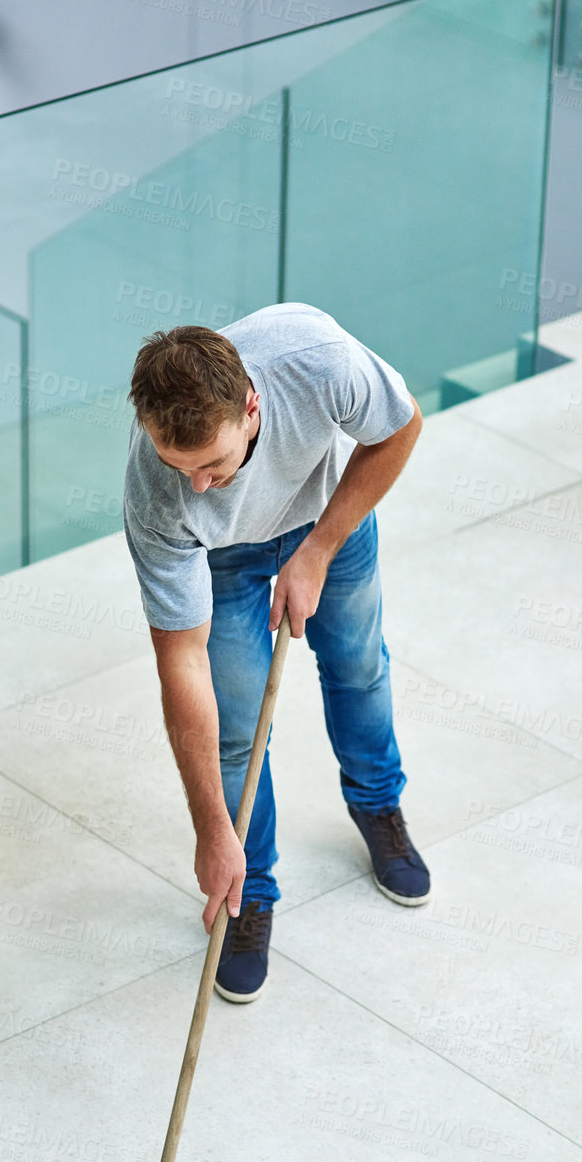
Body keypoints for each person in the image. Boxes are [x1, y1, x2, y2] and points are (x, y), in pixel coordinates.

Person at [123, 301, 430, 1003]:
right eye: (181, 468)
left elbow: (400, 424)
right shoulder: (156, 489)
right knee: (237, 729)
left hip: (328, 520)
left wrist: (318, 549)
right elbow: (182, 662)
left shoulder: (315, 359)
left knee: (356, 665)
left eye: (212, 465)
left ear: (252, 406)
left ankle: (377, 805)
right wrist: (209, 832)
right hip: (224, 562)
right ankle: (247, 888)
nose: (196, 486)